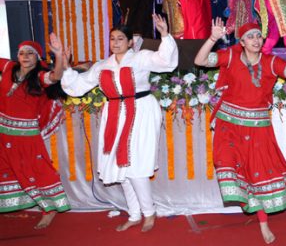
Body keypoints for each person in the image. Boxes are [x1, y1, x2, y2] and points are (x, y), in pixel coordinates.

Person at [193, 18, 286, 244]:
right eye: (250, 37)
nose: (256, 40)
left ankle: (263, 224)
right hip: (230, 126)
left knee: (257, 174)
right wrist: (213, 38)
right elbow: (200, 60)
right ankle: (255, 212)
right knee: (229, 164)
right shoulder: (229, 56)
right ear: (242, 42)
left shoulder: (270, 61)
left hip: (258, 128)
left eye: (258, 36)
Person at [61, 15, 178, 232]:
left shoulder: (140, 58)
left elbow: (166, 62)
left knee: (136, 165)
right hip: (114, 113)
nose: (116, 43)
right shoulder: (102, 66)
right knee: (121, 165)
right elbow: (77, 87)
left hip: (141, 110)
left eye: (120, 39)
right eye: (113, 39)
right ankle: (134, 214)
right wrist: (66, 65)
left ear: (131, 41)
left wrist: (164, 34)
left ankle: (149, 212)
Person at [0, 35, 69, 229]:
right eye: (22, 53)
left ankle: (50, 209)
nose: (25, 56)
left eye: (30, 53)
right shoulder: (7, 68)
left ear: (38, 58)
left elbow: (56, 76)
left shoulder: (39, 77)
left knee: (37, 170)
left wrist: (58, 54)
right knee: (5, 170)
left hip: (26, 135)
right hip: (3, 131)